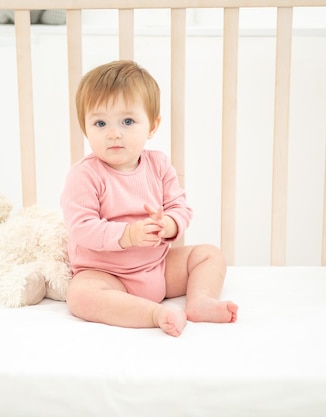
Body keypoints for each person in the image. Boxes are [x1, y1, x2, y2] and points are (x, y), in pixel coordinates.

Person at [60, 60, 238, 336]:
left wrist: (169, 224)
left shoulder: (159, 165)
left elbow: (180, 207)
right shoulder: (84, 175)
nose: (114, 133)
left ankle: (200, 301)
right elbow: (81, 228)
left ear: (152, 126)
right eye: (100, 122)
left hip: (159, 266)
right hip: (108, 273)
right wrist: (128, 235)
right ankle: (155, 314)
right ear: (85, 127)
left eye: (128, 121)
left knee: (209, 255)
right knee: (80, 295)